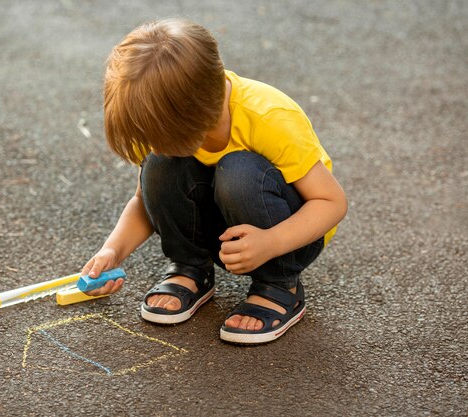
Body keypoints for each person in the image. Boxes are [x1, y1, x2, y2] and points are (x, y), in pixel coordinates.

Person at [81, 18, 347, 344]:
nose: (153, 145)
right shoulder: (168, 122)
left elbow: (331, 203)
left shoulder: (268, 118)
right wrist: (113, 250)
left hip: (290, 234)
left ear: (191, 116)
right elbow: (143, 202)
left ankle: (279, 286)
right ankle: (191, 268)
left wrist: (271, 243)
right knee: (160, 166)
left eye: (158, 137)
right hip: (227, 228)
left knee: (237, 171)